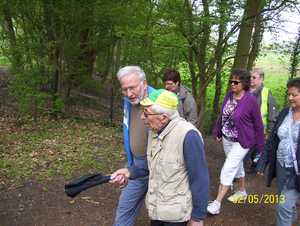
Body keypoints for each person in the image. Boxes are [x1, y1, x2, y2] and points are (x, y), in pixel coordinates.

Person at [110, 89, 210, 226]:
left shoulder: (189, 135)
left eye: (146, 113)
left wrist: (198, 217)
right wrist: (130, 172)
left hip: (177, 214)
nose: (142, 117)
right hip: (157, 208)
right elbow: (153, 164)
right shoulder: (155, 130)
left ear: (164, 117)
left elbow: (200, 178)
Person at [207, 68, 265, 215]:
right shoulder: (229, 96)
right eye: (231, 81)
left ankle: (217, 203)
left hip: (242, 141)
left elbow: (258, 124)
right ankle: (242, 191)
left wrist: (261, 147)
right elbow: (223, 116)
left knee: (228, 169)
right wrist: (217, 131)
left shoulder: (250, 100)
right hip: (227, 139)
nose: (233, 84)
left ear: (244, 83)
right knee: (237, 165)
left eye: (236, 82)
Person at [114, 66, 155, 226]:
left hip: (158, 168)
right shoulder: (128, 102)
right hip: (135, 165)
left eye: (132, 87)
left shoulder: (159, 102)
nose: (129, 93)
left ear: (143, 83)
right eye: (124, 89)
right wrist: (130, 167)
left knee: (160, 215)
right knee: (124, 209)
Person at [256, 77, 300, 226]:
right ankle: (289, 219)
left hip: (297, 171)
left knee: (283, 205)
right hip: (282, 166)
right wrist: (263, 163)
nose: (290, 98)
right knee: (285, 200)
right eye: (289, 95)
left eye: (294, 95)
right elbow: (273, 139)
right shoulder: (285, 113)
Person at [243, 68, 277, 174]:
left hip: (259, 129)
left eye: (254, 77)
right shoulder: (245, 90)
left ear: (261, 80)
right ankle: (256, 164)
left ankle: (238, 171)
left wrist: (270, 129)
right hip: (245, 128)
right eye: (250, 77)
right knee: (255, 149)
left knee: (247, 149)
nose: (251, 79)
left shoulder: (266, 93)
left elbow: (272, 112)